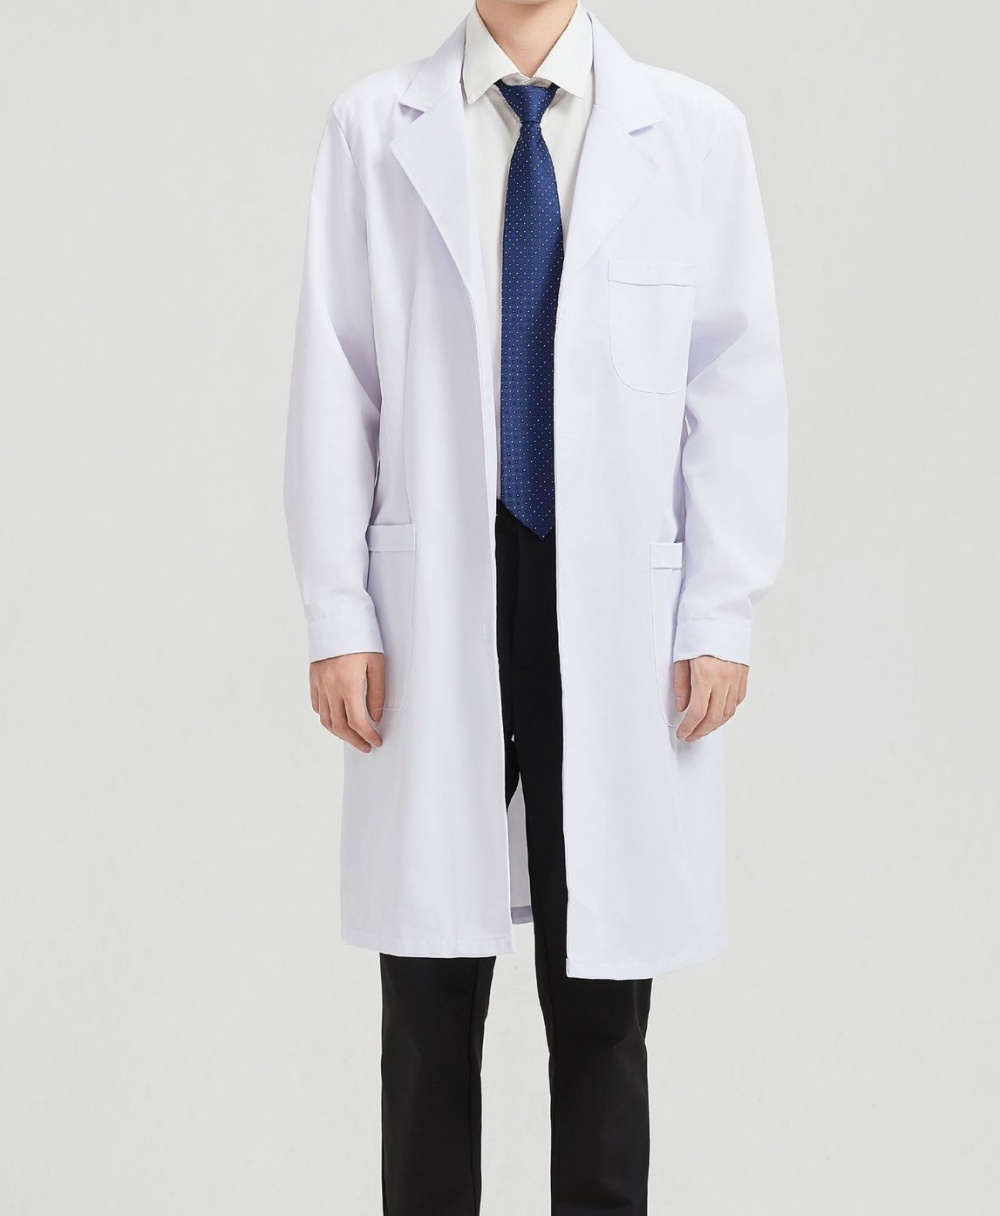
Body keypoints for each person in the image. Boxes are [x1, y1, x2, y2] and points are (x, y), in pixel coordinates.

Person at [282, 0, 787, 1211]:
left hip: (616, 608)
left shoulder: (694, 133)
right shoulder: (374, 128)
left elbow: (733, 378)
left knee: (600, 992)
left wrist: (721, 609)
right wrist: (338, 610)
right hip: (437, 595)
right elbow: (337, 375)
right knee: (427, 997)